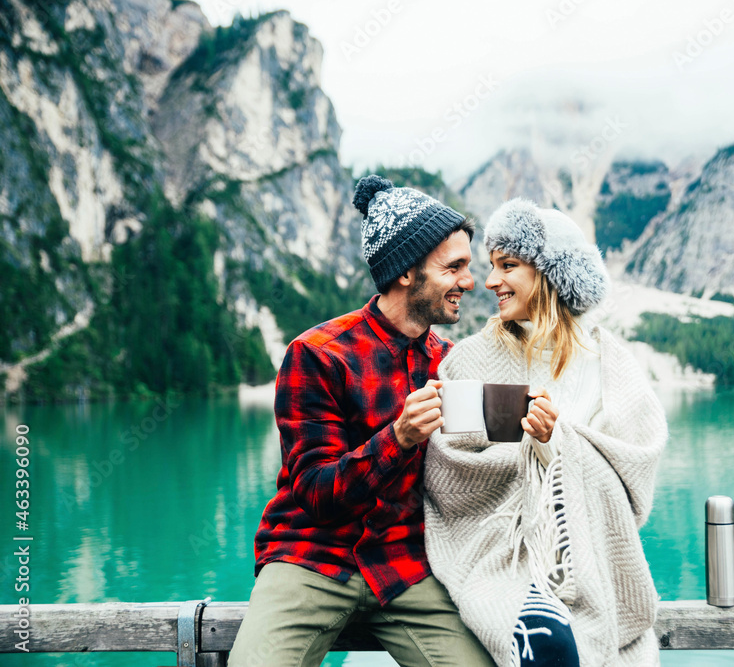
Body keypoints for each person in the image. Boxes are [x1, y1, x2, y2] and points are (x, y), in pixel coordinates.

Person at [229, 175, 494, 667]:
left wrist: (536, 430)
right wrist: (399, 437)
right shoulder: (316, 355)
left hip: (406, 565)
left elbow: (480, 472)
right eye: (453, 267)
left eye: (469, 266)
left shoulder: (452, 361)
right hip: (310, 557)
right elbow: (315, 494)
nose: (469, 281)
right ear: (405, 273)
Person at [423, 198, 667, 666]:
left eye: (508, 265)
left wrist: (559, 441)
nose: (490, 281)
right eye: (491, 266)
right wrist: (534, 449)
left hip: (600, 565)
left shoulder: (610, 366)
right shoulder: (472, 360)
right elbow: (448, 473)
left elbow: (635, 473)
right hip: (505, 558)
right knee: (551, 642)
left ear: (551, 272)